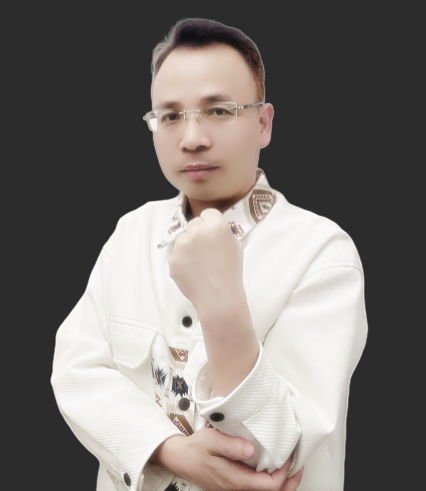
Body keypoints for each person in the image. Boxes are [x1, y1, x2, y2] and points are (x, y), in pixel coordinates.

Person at [51, 18, 367, 491]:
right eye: (170, 116)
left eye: (219, 110)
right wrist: (168, 451)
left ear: (264, 123)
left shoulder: (322, 253)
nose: (192, 138)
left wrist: (220, 303)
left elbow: (280, 448)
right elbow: (75, 374)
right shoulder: (131, 233)